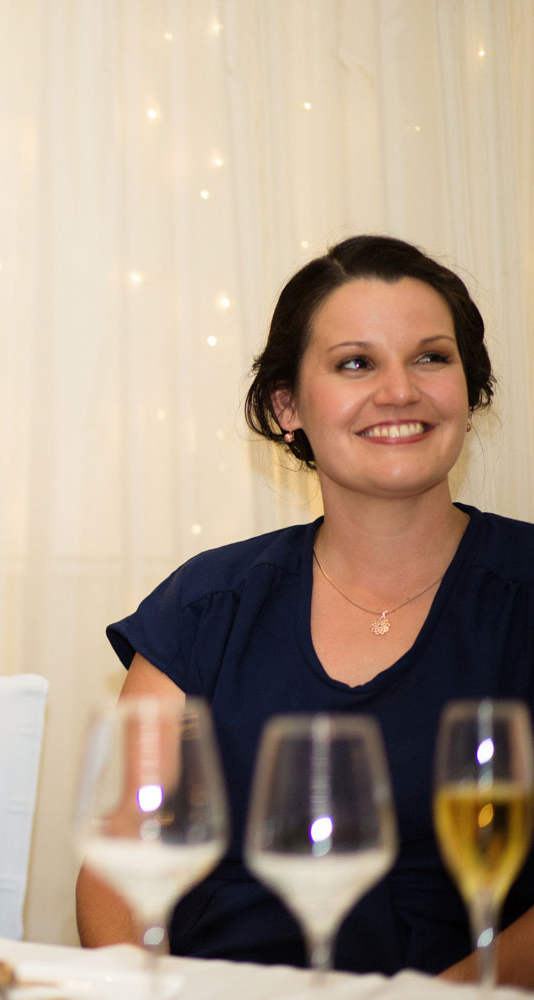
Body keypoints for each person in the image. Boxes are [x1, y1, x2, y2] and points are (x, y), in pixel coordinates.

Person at [77, 235, 534, 986]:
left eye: (431, 357)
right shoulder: (206, 603)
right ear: (288, 405)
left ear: (468, 387)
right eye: (356, 363)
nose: (399, 391)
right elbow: (118, 871)